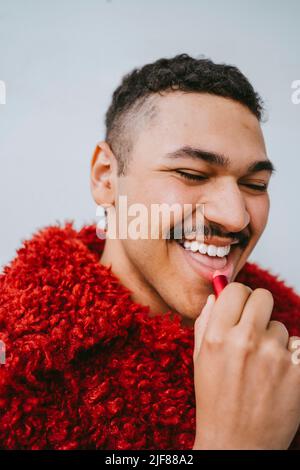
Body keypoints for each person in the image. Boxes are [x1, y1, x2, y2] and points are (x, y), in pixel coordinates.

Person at [0, 54, 299, 450]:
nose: (234, 216)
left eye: (255, 184)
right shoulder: (18, 369)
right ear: (106, 178)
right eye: (191, 174)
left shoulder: (288, 346)